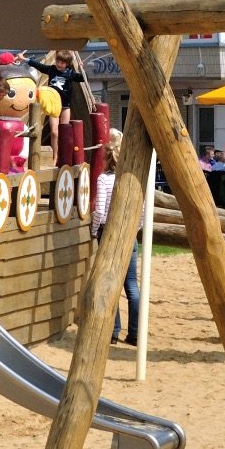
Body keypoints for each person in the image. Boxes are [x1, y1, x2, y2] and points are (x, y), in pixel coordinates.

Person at [90, 137, 141, 346]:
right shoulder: (132, 178)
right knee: (131, 285)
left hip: (109, 232)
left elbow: (100, 211)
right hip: (129, 233)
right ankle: (136, 332)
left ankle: (114, 331)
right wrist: (135, 229)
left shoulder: (104, 180)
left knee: (111, 283)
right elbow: (142, 211)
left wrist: (94, 231)